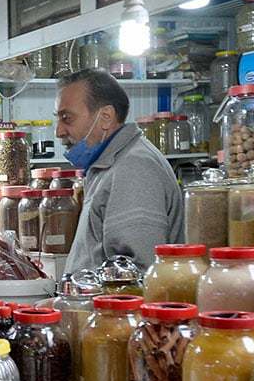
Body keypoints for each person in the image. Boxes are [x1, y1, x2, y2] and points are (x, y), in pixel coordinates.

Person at [56, 69, 184, 272]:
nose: (59, 131)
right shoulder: (108, 165)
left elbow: (136, 275)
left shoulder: (134, 169)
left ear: (106, 117)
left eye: (67, 118)